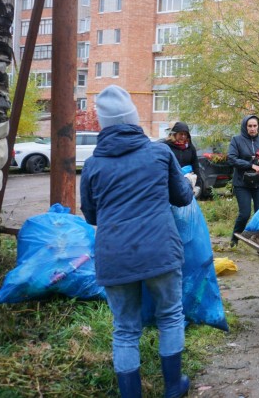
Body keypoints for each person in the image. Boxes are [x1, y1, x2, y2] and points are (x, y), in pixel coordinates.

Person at [80, 85, 194, 398]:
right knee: (170, 315)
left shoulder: (92, 166)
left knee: (125, 330)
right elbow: (183, 197)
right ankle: (174, 387)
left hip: (115, 256)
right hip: (160, 250)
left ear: (103, 124)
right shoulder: (160, 153)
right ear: (133, 119)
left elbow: (91, 216)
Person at [228, 114, 259, 247]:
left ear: (258, 127)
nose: (253, 128)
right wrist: (251, 164)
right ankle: (235, 239)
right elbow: (231, 159)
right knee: (245, 213)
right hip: (242, 183)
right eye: (250, 126)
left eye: (255, 126)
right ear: (245, 126)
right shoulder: (236, 140)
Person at [164, 121, 202, 196]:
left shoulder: (190, 148)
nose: (183, 136)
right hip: (169, 182)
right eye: (181, 134)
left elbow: (196, 166)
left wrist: (198, 185)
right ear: (175, 134)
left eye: (185, 134)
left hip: (186, 183)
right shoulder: (167, 146)